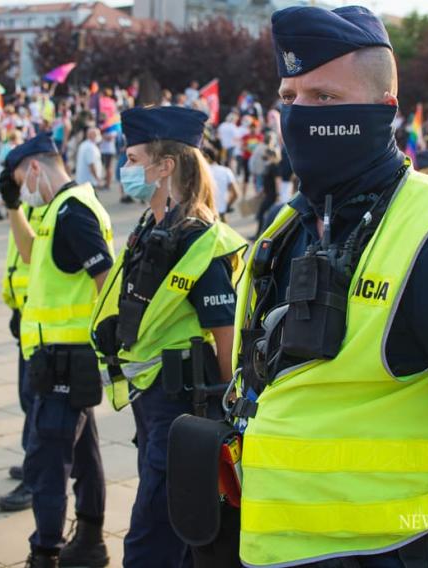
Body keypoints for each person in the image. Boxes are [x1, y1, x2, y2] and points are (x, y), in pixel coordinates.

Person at [226, 7, 428, 568]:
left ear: (384, 110)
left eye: (323, 98)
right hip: (268, 546)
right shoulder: (287, 222)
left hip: (388, 554)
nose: (298, 115)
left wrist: (426, 513)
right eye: (289, 98)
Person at [89, 106, 247, 567]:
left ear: (166, 166)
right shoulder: (150, 228)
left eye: (134, 158)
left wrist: (228, 416)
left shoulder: (200, 239)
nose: (125, 168)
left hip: (182, 409)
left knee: (150, 537)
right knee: (169, 528)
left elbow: (225, 337)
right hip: (151, 402)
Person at [0, 133, 113, 568]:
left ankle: (44, 553)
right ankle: (89, 539)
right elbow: (31, 255)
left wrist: (104, 345)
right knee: (84, 455)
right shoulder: (56, 210)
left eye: (19, 181)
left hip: (68, 359)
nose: (22, 189)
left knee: (47, 464)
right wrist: (13, 207)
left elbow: (104, 277)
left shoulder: (72, 212)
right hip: (58, 358)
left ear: (34, 168)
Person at [0, 201, 43, 513]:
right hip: (28, 317)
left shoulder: (56, 209)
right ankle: (34, 463)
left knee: (39, 405)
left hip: (48, 327)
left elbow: (32, 256)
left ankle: (36, 475)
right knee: (29, 400)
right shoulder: (29, 208)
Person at [206, 146, 239, 222]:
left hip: (207, 214)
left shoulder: (202, 172)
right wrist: (226, 206)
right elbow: (236, 194)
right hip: (221, 212)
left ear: (206, 157)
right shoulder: (226, 171)